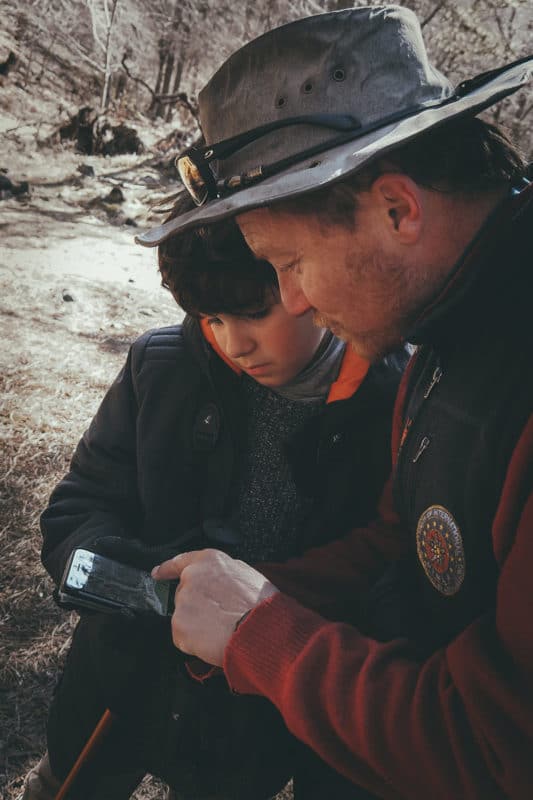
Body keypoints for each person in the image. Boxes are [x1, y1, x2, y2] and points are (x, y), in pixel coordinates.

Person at [134, 5, 533, 799]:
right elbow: (405, 533)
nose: (292, 300)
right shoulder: (444, 323)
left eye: (288, 261)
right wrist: (256, 596)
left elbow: (501, 756)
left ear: (396, 209)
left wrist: (262, 633)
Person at [23, 195, 405, 799]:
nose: (233, 343)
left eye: (253, 312)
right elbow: (77, 509)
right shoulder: (160, 367)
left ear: (305, 276)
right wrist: (151, 592)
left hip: (253, 723)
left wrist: (259, 614)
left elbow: (383, 574)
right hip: (116, 682)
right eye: (212, 318)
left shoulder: (392, 403)